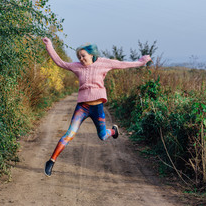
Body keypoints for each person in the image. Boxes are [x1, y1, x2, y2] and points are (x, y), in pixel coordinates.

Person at [42, 37, 152, 177]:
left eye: (83, 56)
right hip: (82, 107)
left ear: (91, 54)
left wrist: (141, 62)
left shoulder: (104, 63)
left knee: (102, 136)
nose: (81, 59)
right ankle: (51, 161)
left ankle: (113, 131)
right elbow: (60, 62)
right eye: (79, 57)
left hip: (97, 107)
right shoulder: (77, 67)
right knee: (69, 134)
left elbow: (123, 64)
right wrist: (49, 45)